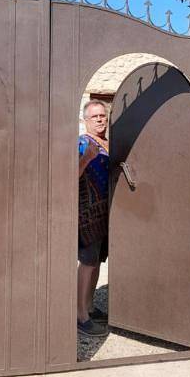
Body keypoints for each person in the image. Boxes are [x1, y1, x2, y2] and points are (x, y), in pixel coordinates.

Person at [77, 100, 110, 336]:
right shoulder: (82, 143)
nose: (99, 120)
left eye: (102, 116)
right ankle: (79, 315)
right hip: (86, 214)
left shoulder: (107, 143)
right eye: (94, 117)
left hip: (104, 213)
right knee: (87, 262)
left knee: (96, 261)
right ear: (85, 121)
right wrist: (86, 158)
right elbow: (69, 175)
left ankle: (89, 305)